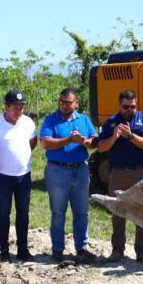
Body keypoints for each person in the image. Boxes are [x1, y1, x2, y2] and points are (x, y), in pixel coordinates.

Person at [96, 88, 143, 263]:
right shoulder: (111, 122)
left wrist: (130, 136)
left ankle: (142, 250)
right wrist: (115, 136)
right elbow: (101, 147)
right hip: (119, 173)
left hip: (141, 171)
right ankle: (117, 250)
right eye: (126, 107)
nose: (130, 110)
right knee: (118, 211)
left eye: (133, 106)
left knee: (142, 211)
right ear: (119, 105)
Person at [40, 88, 98, 263]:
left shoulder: (84, 120)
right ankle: (58, 249)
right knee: (58, 212)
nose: (64, 105)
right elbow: (45, 142)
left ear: (76, 103)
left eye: (68, 102)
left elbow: (94, 142)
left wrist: (83, 141)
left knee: (81, 211)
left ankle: (81, 248)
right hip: (57, 171)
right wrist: (68, 140)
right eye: (62, 102)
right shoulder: (51, 120)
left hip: (80, 170)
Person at [0, 90, 37, 262]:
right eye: (15, 107)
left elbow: (32, 143)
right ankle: (4, 250)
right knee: (3, 212)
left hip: (24, 175)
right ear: (6, 106)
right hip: (3, 176)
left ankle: (22, 249)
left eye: (21, 107)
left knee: (23, 213)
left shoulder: (28, 122)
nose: (19, 111)